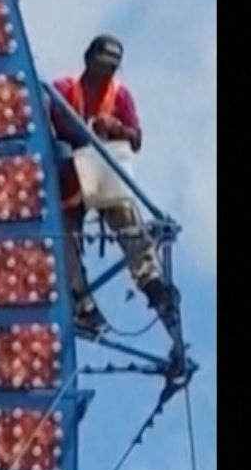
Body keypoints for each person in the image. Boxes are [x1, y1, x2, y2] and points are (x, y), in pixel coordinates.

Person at [48, 35, 181, 342]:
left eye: (112, 68)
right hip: (70, 177)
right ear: (89, 61)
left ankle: (152, 283)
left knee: (124, 213)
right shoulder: (66, 89)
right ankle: (82, 303)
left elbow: (136, 139)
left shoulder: (119, 96)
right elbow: (43, 110)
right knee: (63, 237)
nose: (106, 73)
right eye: (102, 66)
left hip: (102, 170)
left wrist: (116, 128)